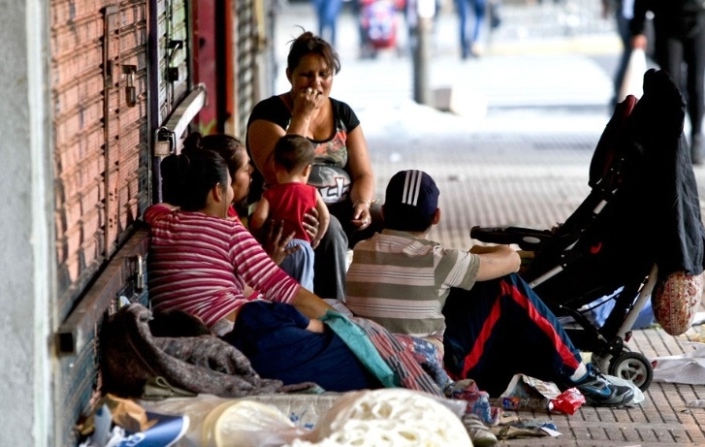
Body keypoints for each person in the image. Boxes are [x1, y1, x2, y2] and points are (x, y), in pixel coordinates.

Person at [345, 169, 636, 407]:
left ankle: (548, 372)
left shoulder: (361, 252)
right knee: (504, 286)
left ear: (384, 211)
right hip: (430, 374)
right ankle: (580, 375)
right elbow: (509, 262)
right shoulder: (439, 261)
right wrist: (478, 251)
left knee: (466, 291)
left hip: (371, 365)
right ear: (436, 217)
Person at [146, 148, 382, 392]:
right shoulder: (228, 231)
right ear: (218, 192)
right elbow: (287, 290)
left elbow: (159, 209)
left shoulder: (160, 221)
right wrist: (343, 323)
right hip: (238, 337)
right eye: (227, 185)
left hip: (191, 334)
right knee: (344, 340)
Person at [246, 31, 381, 302]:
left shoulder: (343, 114)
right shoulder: (269, 114)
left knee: (390, 217)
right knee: (329, 229)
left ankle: (381, 306)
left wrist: (362, 204)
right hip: (285, 215)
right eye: (306, 75)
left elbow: (363, 173)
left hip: (341, 212)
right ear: (289, 75)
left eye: (324, 74)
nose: (316, 83)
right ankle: (333, 311)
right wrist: (302, 116)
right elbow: (277, 172)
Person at [630, 0, 705, 164]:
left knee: (697, 82)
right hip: (667, 18)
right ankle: (671, 140)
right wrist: (638, 28)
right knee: (670, 84)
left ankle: (697, 138)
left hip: (702, 16)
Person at [250, 135, 331, 291]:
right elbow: (325, 217)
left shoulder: (270, 193)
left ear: (275, 166)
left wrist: (257, 233)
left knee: (279, 289)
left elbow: (258, 218)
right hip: (304, 248)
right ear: (308, 169)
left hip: (278, 248)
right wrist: (317, 238)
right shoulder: (312, 192)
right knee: (303, 291)